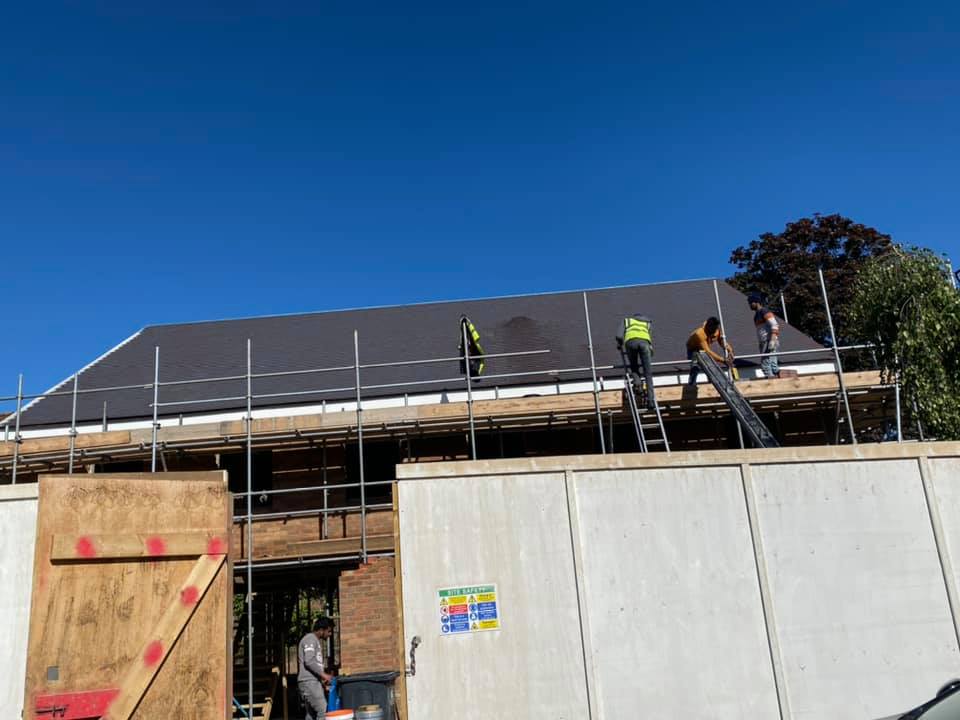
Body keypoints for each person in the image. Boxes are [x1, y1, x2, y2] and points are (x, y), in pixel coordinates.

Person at [616, 314, 657, 410]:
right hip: (645, 344)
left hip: (631, 343)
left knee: (634, 366)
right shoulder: (647, 323)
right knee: (648, 373)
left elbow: (619, 335)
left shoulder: (627, 320)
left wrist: (620, 344)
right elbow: (649, 338)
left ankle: (638, 385)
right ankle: (651, 401)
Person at [298, 617, 335, 720]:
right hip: (309, 682)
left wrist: (321, 680)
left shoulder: (314, 640)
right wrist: (324, 675)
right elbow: (309, 661)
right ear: (322, 629)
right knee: (323, 710)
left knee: (311, 715)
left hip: (312, 682)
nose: (330, 634)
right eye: (329, 631)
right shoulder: (310, 639)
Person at [685, 316, 732, 386]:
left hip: (704, 348)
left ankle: (712, 381)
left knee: (710, 364)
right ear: (708, 327)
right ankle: (691, 383)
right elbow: (707, 351)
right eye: (711, 332)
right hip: (693, 349)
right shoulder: (699, 334)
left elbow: (722, 342)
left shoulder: (716, 330)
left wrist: (730, 351)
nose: (713, 334)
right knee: (696, 365)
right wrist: (723, 360)